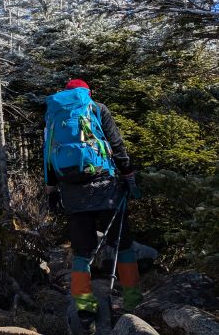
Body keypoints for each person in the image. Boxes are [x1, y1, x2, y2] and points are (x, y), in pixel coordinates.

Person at [44, 79, 143, 332]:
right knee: (122, 241)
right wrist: (129, 175)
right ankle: (133, 301)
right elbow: (116, 144)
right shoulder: (97, 108)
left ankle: (84, 307)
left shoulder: (55, 113)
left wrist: (51, 189)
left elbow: (47, 152)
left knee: (81, 250)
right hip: (105, 185)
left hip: (72, 190)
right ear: (87, 92)